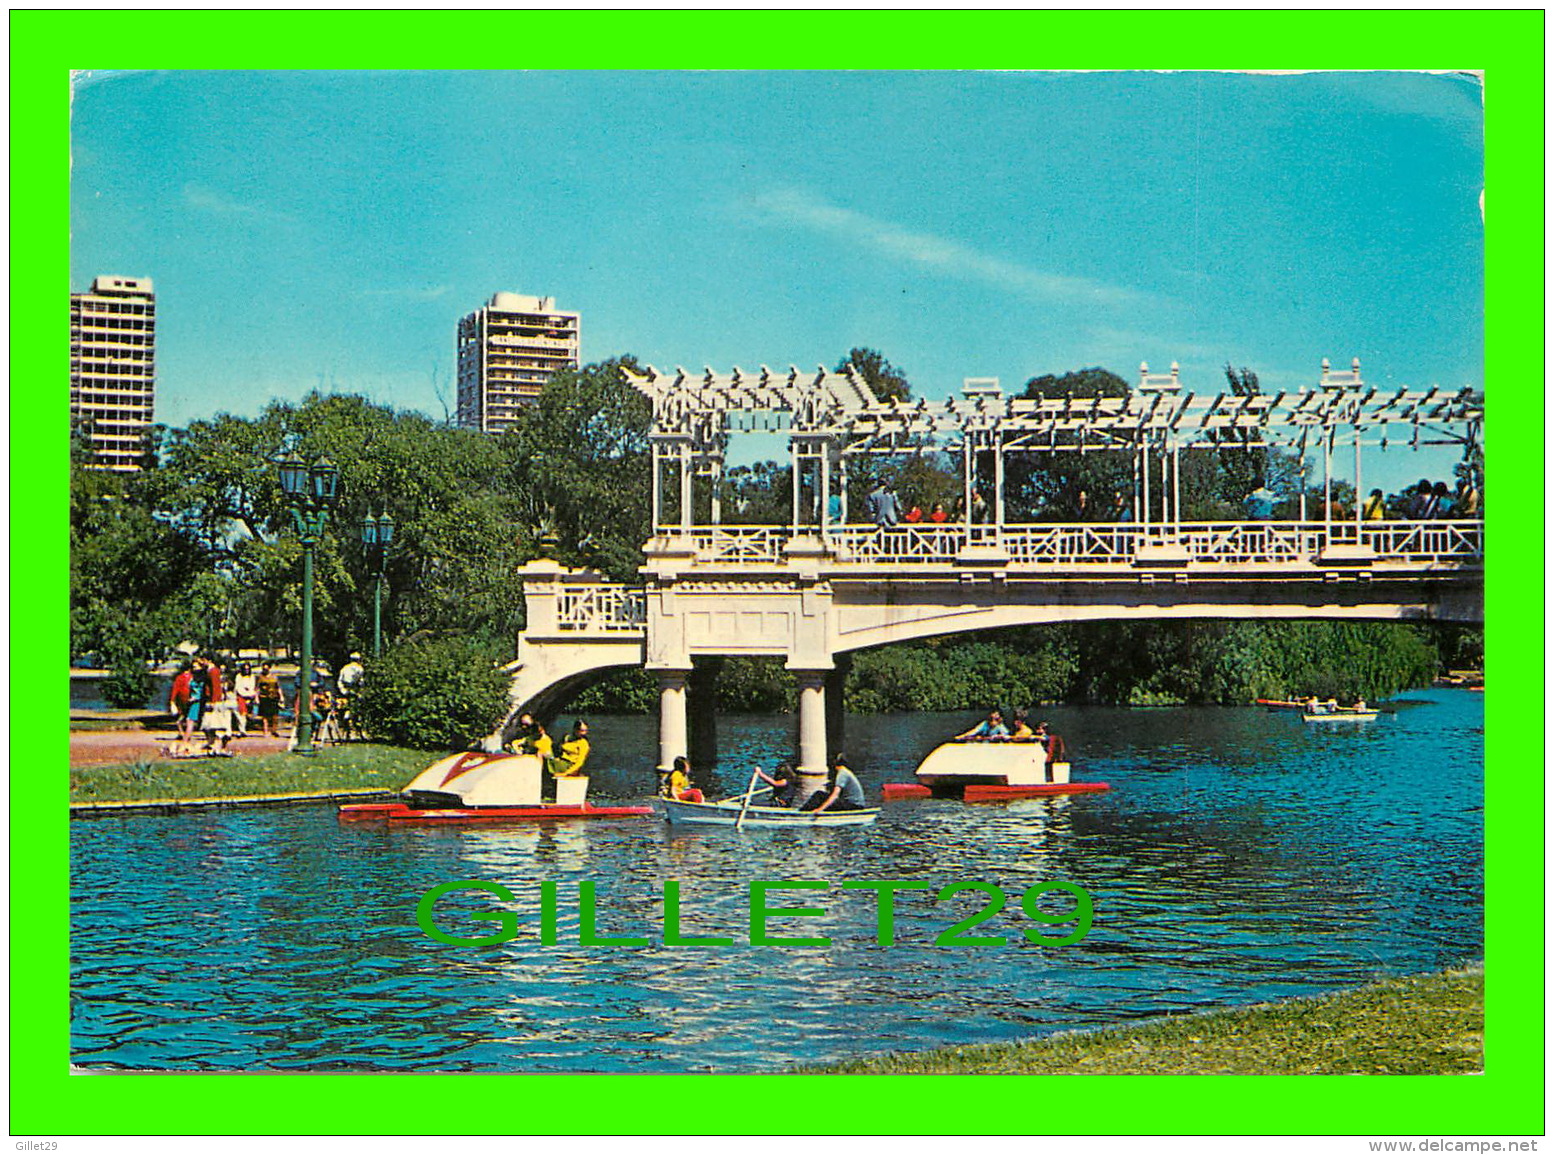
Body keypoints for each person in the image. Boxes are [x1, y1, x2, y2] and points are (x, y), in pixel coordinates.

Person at [800, 753, 867, 814]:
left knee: (819, 795)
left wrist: (820, 809)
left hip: (854, 806)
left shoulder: (842, 774)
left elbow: (835, 795)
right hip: (852, 804)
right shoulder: (845, 772)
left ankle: (803, 813)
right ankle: (805, 811)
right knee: (821, 795)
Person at [255, 662, 283, 738]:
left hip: (274, 697)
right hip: (264, 697)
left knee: (275, 715)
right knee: (265, 716)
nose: (265, 670)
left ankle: (274, 730)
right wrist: (256, 698)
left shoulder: (274, 677)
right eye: (264, 669)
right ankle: (265, 731)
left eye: (266, 668)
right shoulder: (260, 677)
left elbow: (278, 687)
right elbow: (257, 688)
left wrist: (281, 697)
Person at [168, 661, 194, 741]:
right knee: (189, 717)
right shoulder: (193, 677)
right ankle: (187, 733)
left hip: (182, 699)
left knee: (182, 716)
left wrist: (172, 700)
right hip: (192, 698)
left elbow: (175, 689)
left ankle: (182, 733)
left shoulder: (179, 678)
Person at [232, 662, 257, 736]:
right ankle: (242, 730)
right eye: (245, 669)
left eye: (248, 669)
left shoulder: (252, 677)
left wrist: (250, 695)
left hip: (250, 696)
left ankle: (246, 728)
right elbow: (238, 687)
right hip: (240, 696)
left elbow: (252, 686)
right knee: (241, 714)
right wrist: (244, 692)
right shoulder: (239, 676)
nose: (246, 670)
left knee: (248, 714)